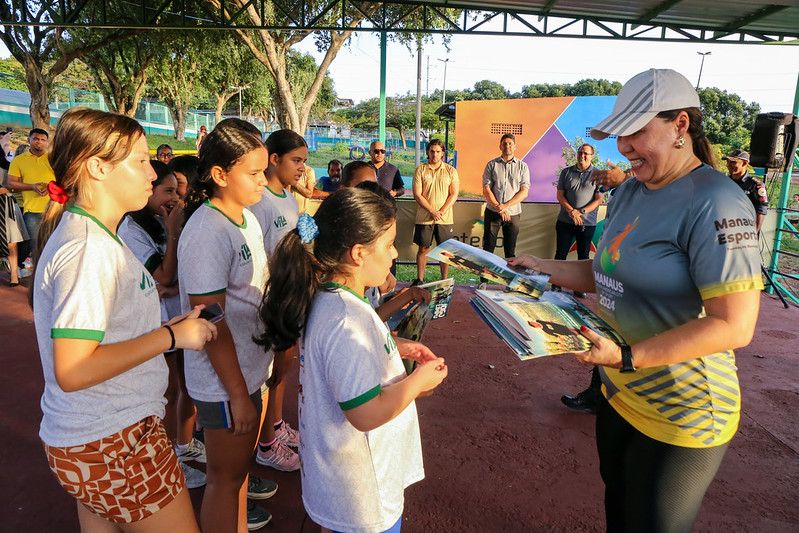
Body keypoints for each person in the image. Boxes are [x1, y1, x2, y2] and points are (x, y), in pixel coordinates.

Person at [508, 68, 763, 532]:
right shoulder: (629, 193)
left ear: (680, 126)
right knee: (619, 516)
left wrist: (627, 356)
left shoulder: (716, 201)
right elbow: (608, 272)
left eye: (634, 132)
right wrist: (542, 266)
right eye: (617, 134)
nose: (622, 147)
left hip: (684, 410)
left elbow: (734, 325)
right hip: (619, 392)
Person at [31, 107, 216, 532]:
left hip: (93, 437)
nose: (152, 172)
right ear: (97, 167)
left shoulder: (92, 237)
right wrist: (171, 336)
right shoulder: (89, 250)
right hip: (114, 440)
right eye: (139, 161)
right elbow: (74, 369)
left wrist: (167, 330)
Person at [254, 187, 448, 533]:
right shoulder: (347, 318)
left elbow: (340, 358)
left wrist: (392, 345)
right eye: (389, 245)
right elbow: (365, 412)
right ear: (359, 253)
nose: (393, 254)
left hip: (342, 481)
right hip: (362, 495)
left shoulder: (330, 298)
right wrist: (418, 382)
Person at [179, 124, 274, 532]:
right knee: (225, 480)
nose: (262, 181)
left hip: (250, 367)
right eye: (253, 173)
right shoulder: (206, 231)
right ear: (219, 175)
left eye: (263, 170)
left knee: (238, 479)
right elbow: (209, 319)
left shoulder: (245, 219)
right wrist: (237, 395)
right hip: (224, 382)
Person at [118, 160, 208, 490]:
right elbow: (165, 275)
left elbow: (177, 274)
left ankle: (182, 446)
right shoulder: (132, 230)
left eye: (178, 189)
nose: (176, 197)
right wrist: (173, 231)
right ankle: (168, 458)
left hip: (175, 316)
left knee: (185, 386)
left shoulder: (157, 220)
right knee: (166, 394)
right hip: (156, 325)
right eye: (168, 190)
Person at [249, 128, 308, 474]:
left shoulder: (288, 196)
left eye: (303, 161)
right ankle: (266, 445)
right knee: (269, 372)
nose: (301, 167)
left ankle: (275, 425)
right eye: (296, 160)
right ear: (274, 159)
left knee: (283, 368)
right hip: (269, 297)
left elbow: (295, 237)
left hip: (288, 293)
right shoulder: (260, 202)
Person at [552, 143, 604, 297]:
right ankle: (556, 285)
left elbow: (599, 199)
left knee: (583, 257)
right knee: (560, 255)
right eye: (580, 152)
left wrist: (580, 212)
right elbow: (560, 195)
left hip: (587, 224)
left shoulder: (599, 175)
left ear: (592, 156)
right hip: (565, 222)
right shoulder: (566, 172)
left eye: (586, 153)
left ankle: (579, 288)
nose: (582, 155)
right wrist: (571, 211)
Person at [412, 139, 459, 285]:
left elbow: (454, 194)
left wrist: (441, 211)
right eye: (432, 151)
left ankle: (444, 281)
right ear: (427, 152)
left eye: (438, 151)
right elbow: (417, 194)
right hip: (424, 218)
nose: (435, 154)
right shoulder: (420, 170)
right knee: (423, 249)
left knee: (445, 252)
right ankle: (420, 280)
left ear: (443, 153)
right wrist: (432, 211)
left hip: (445, 219)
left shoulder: (451, 171)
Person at [481, 133, 530, 266]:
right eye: (504, 143)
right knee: (488, 249)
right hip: (493, 212)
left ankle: (509, 283)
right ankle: (484, 281)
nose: (507, 146)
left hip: (513, 214)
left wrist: (506, 206)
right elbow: (486, 189)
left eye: (510, 143)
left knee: (510, 251)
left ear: (515, 147)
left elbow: (524, 192)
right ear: (500, 146)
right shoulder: (492, 165)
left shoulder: (523, 166)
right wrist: (498, 207)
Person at [7, 128, 55, 264]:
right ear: (29, 140)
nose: (39, 142)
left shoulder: (54, 158)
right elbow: (11, 183)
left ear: (47, 142)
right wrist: (32, 186)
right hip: (32, 211)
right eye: (36, 139)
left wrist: (50, 186)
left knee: (54, 243)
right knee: (36, 246)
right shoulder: (18, 161)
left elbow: (64, 180)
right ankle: (37, 278)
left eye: (42, 140)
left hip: (54, 209)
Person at [723, 149, 768, 233]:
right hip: (725, 228)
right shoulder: (724, 181)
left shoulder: (756, 185)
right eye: (728, 162)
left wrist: (753, 234)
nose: (728, 165)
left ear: (744, 163)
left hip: (744, 231)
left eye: (733, 162)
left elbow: (761, 211)